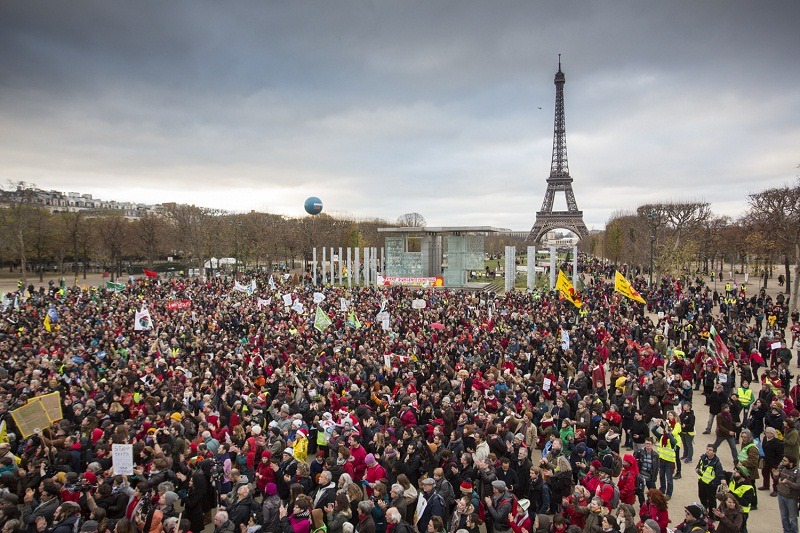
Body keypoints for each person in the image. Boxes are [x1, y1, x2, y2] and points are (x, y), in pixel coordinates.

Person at [695, 445, 724, 513]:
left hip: (710, 485)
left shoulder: (717, 463)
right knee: (702, 497)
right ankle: (704, 511)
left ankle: (712, 515)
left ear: (714, 452)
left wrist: (712, 483)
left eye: (710, 450)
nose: (708, 451)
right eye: (707, 449)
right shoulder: (703, 457)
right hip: (702, 481)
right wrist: (697, 468)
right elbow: (699, 464)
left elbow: (719, 475)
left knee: (711, 501)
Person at [776, 455, 800, 533]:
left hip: (791, 498)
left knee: (792, 518)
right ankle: (786, 531)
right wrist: (776, 475)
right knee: (783, 516)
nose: (782, 461)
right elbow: (777, 478)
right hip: (781, 494)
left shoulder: (797, 472)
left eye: (785, 460)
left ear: (791, 463)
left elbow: (798, 486)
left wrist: (787, 482)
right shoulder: (782, 468)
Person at [760, 427, 785, 496]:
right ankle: (766, 485)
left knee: (774, 477)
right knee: (764, 473)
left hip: (773, 462)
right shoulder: (765, 438)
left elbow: (780, 454)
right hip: (765, 461)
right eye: (765, 432)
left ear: (772, 434)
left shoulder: (777, 443)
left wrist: (776, 463)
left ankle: (776, 490)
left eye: (768, 432)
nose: (766, 434)